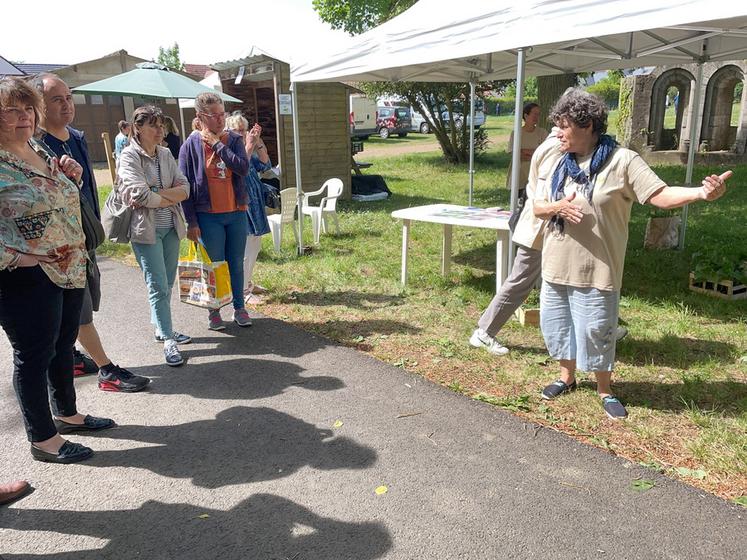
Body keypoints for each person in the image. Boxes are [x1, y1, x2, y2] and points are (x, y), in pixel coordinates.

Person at [532, 88, 731, 419]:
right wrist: (558, 207)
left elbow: (661, 194)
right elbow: (538, 206)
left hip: (597, 267)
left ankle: (605, 389)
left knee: (597, 330)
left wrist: (701, 193)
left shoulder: (622, 161)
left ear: (588, 125)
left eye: (564, 125)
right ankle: (566, 377)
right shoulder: (557, 159)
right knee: (557, 326)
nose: (558, 132)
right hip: (555, 264)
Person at [0, 77, 114, 463]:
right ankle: (43, 439)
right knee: (33, 355)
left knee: (63, 346)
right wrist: (18, 258)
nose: (23, 117)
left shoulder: (37, 147)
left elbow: (57, 196)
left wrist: (74, 177)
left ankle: (67, 414)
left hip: (69, 267)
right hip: (24, 277)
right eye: (11, 110)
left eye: (28, 108)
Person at [33, 73, 150, 393]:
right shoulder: (34, 145)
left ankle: (69, 355)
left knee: (86, 300)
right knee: (80, 308)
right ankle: (106, 370)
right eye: (57, 99)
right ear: (39, 105)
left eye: (68, 97)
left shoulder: (77, 137)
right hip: (60, 244)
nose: (66, 104)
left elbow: (85, 191)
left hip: (85, 234)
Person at [471, 128, 630, 356]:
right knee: (522, 280)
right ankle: (484, 332)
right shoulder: (558, 147)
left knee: (579, 280)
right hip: (541, 228)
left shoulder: (556, 143)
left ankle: (602, 330)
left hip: (553, 228)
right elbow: (549, 193)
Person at [118, 106, 191, 366]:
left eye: (162, 125)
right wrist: (167, 194)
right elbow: (139, 196)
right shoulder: (129, 156)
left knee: (167, 282)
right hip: (145, 231)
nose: (161, 130)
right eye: (154, 126)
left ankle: (162, 328)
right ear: (138, 128)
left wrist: (157, 194)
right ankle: (168, 340)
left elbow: (186, 188)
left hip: (171, 226)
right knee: (157, 284)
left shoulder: (166, 153)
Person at [179, 92, 251, 329]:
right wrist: (191, 222)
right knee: (214, 265)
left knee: (236, 263)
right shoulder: (190, 145)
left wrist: (218, 144)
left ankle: (239, 308)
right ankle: (214, 311)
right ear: (200, 117)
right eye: (214, 116)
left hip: (236, 212)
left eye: (223, 114)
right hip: (208, 217)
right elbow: (185, 185)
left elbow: (242, 168)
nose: (220, 120)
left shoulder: (234, 140)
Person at [224, 114, 272, 304]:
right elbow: (238, 168)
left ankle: (248, 282)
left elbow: (266, 163)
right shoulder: (229, 151)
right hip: (241, 207)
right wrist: (250, 144)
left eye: (244, 129)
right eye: (238, 130)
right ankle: (242, 291)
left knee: (255, 246)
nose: (242, 133)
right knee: (244, 250)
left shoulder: (247, 150)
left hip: (255, 204)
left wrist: (258, 141)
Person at [506, 103, 547, 191]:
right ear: (526, 115)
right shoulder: (516, 133)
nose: (537, 117)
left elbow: (544, 155)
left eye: (538, 114)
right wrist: (535, 153)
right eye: (534, 114)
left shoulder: (543, 133)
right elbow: (516, 154)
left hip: (537, 176)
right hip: (519, 175)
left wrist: (525, 151)